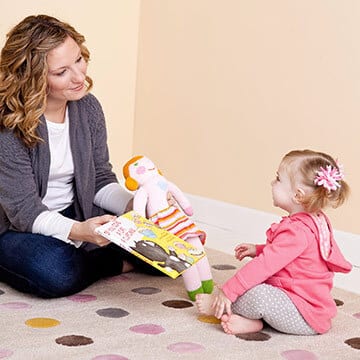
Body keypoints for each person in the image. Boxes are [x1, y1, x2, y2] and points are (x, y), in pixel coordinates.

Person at [0, 14, 158, 299]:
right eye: (61, 72)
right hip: (15, 226)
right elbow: (25, 213)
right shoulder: (8, 127)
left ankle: (92, 258)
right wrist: (79, 232)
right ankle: (109, 261)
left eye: (79, 59)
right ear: (31, 78)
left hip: (77, 214)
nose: (79, 76)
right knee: (55, 271)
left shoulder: (87, 107)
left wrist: (137, 205)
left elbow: (99, 178)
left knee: (170, 251)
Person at [195, 149, 352, 335]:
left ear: (298, 195)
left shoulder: (297, 231)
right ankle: (254, 322)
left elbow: (264, 266)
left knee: (255, 291)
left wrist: (227, 293)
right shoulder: (315, 220)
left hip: (303, 316)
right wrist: (259, 249)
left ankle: (218, 307)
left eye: (278, 179)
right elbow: (289, 256)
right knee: (252, 284)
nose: (272, 183)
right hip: (302, 307)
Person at [123, 155, 214, 300]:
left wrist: (186, 207)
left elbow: (140, 212)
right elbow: (139, 212)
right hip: (170, 219)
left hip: (172, 218)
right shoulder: (146, 188)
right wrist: (186, 207)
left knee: (190, 249)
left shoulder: (157, 183)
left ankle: (202, 285)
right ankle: (199, 287)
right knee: (185, 253)